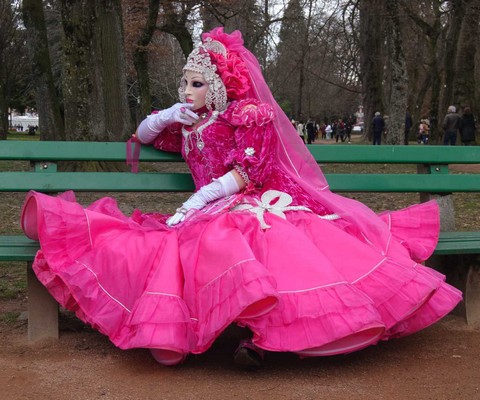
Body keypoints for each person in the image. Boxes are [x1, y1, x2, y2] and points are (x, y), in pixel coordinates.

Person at [20, 28, 461, 370]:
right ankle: (171, 333)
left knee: (257, 238)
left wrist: (202, 199)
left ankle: (271, 336)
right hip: (206, 209)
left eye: (195, 84)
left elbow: (247, 170)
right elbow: (142, 136)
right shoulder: (192, 125)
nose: (185, 91)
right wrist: (167, 115)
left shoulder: (247, 116)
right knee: (171, 248)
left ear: (217, 86)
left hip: (248, 198)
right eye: (183, 83)